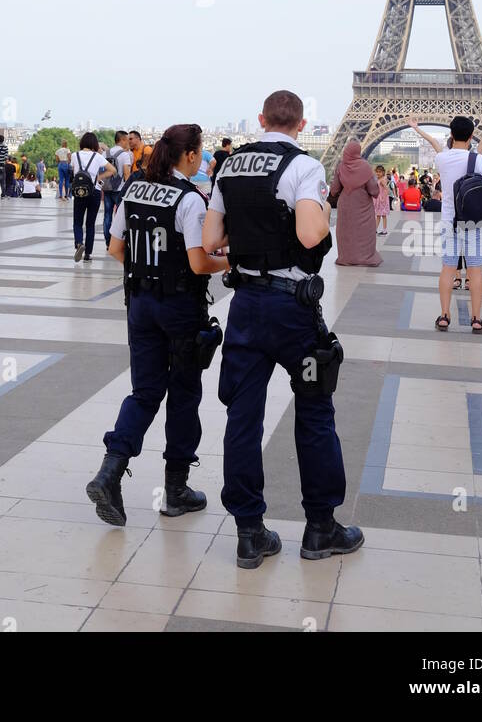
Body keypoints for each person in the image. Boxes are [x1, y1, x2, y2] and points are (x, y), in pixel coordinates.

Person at [203, 88, 363, 570]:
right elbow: (312, 235)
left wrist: (249, 242)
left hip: (246, 304)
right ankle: (320, 528)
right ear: (299, 123)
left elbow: (211, 240)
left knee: (242, 418)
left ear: (261, 119)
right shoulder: (303, 167)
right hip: (292, 307)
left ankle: (249, 532)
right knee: (315, 412)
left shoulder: (229, 167)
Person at [85, 124, 228, 526]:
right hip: (180, 307)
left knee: (144, 392)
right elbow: (200, 263)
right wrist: (231, 262)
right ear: (189, 156)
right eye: (198, 153)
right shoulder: (189, 199)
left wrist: (147, 272)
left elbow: (115, 248)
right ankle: (176, 490)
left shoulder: (133, 189)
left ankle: (110, 471)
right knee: (183, 394)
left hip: (140, 304)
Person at [408, 114, 482, 335]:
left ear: (451, 135)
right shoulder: (478, 160)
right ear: (471, 136)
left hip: (449, 221)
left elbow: (435, 144)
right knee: (475, 271)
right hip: (473, 221)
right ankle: (477, 319)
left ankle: (444, 316)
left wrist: (417, 128)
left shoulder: (442, 159)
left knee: (448, 269)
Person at [330, 141, 381, 266]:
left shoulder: (341, 166)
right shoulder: (365, 166)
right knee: (364, 232)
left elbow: (334, 190)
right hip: (362, 204)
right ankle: (365, 257)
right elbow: (374, 190)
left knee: (346, 232)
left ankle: (346, 257)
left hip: (345, 205)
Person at [70, 133, 116, 262]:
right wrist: (99, 178)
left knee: (77, 221)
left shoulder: (75, 155)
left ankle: (79, 243)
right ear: (94, 144)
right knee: (90, 224)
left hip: (79, 191)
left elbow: (73, 170)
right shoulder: (98, 157)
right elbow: (113, 170)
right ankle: (88, 254)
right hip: (94, 191)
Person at [101, 130, 132, 250]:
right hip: (120, 190)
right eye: (127, 140)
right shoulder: (125, 155)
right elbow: (126, 173)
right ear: (122, 140)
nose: (128, 142)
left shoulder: (105, 153)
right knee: (120, 217)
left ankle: (108, 242)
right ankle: (118, 242)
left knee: (107, 215)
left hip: (107, 188)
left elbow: (102, 170)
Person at [373, 164, 390, 236]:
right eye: (377, 172)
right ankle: (376, 230)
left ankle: (384, 230)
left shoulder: (382, 180)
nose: (378, 173)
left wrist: (383, 198)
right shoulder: (380, 179)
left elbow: (386, 189)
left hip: (382, 200)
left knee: (382, 215)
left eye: (379, 172)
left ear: (383, 172)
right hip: (380, 199)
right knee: (379, 215)